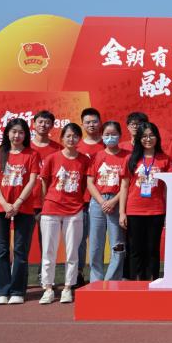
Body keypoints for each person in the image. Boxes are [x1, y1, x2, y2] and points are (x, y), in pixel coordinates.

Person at [0, 118, 40, 304]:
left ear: (26, 135)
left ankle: (18, 290)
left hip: (24, 207)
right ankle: (2, 291)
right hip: (0, 207)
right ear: (7, 133)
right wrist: (4, 204)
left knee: (20, 249)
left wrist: (17, 203)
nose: (17, 135)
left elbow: (32, 181)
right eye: (13, 131)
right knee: (2, 250)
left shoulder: (32, 154)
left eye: (21, 132)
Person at [38, 123, 89, 304]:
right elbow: (44, 182)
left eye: (75, 136)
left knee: (72, 251)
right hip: (51, 209)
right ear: (62, 138)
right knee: (48, 250)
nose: (71, 139)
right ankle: (48, 288)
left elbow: (85, 184)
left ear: (79, 139)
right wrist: (45, 202)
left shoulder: (84, 160)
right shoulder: (52, 158)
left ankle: (68, 287)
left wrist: (79, 202)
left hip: (74, 210)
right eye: (68, 136)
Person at [120, 122, 172, 281]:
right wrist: (122, 212)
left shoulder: (165, 159)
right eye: (144, 136)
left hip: (156, 210)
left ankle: (152, 280)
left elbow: (168, 188)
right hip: (134, 210)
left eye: (151, 135)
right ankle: (136, 282)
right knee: (135, 249)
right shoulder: (131, 159)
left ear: (157, 137)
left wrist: (169, 212)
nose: (148, 139)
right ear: (138, 139)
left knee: (152, 249)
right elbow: (124, 186)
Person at [85, 121, 128, 282]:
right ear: (102, 136)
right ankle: (96, 280)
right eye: (107, 134)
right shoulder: (97, 156)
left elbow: (127, 184)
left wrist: (113, 201)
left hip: (118, 202)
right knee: (96, 243)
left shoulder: (127, 156)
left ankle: (112, 280)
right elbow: (90, 183)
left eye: (114, 134)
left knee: (117, 243)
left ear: (120, 135)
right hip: (98, 202)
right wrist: (102, 201)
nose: (110, 137)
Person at [30, 110, 61, 283]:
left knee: (48, 242)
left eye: (47, 122)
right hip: (26, 202)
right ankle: (20, 276)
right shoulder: (25, 147)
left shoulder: (58, 149)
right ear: (34, 124)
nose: (43, 125)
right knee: (22, 242)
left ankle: (46, 275)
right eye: (40, 122)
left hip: (49, 202)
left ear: (52, 125)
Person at [75, 107, 104, 283]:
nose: (91, 125)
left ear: (100, 123)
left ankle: (101, 276)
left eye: (94, 121)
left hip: (105, 201)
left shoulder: (108, 143)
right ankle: (78, 273)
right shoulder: (76, 145)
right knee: (80, 239)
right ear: (82, 124)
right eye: (87, 122)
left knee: (99, 241)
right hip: (81, 201)